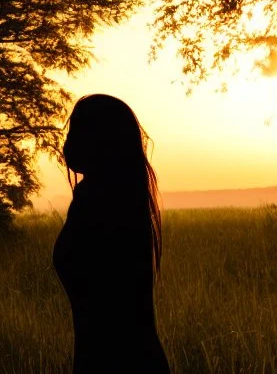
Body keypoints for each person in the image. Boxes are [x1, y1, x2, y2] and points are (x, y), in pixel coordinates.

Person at [53, 94, 170, 373]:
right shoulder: (122, 198)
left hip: (114, 361)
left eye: (76, 133)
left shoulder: (97, 202)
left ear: (100, 141)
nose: (66, 144)